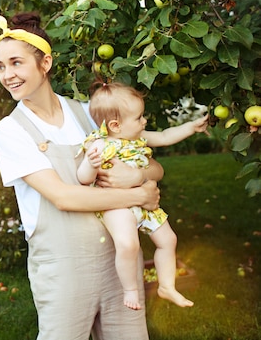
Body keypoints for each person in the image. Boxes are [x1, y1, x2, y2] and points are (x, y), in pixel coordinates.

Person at [0, 13, 162, 340]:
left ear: (45, 63)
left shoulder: (87, 113)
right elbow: (64, 197)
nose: (7, 75)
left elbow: (153, 166)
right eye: (0, 67)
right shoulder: (10, 131)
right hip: (63, 270)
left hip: (119, 263)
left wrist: (142, 175)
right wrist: (139, 195)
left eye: (16, 63)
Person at [77, 81, 208, 310]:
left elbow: (166, 136)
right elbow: (83, 178)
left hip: (145, 203)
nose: (144, 121)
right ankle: (131, 289)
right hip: (117, 207)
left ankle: (167, 286)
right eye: (139, 118)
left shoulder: (137, 138)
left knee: (169, 240)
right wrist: (90, 163)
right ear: (116, 125)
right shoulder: (98, 145)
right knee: (128, 245)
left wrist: (191, 127)